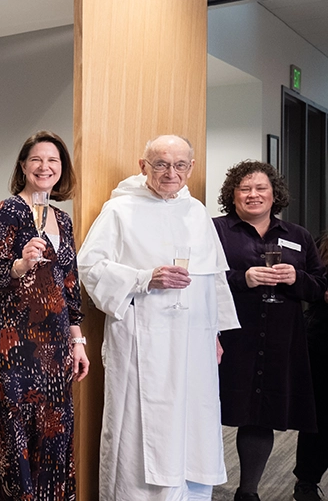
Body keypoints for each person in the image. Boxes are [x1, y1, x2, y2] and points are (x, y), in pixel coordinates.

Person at [77, 134, 240, 501]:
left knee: (193, 423)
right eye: (161, 164)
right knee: (142, 426)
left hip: (193, 339)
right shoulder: (120, 211)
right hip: (142, 339)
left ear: (191, 168)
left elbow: (213, 276)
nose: (171, 173)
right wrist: (144, 277)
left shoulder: (196, 212)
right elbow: (89, 266)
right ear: (143, 166)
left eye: (179, 165)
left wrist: (214, 333)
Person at [0, 130, 89, 500]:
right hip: (14, 343)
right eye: (37, 159)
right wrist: (21, 263)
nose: (45, 167)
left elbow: (69, 284)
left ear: (62, 170)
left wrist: (78, 341)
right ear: (23, 166)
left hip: (55, 345)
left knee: (54, 433)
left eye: (53, 161)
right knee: (15, 434)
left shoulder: (62, 219)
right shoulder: (7, 212)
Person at [212, 160, 327, 501]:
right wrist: (242, 278)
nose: (253, 195)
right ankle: (193, 484)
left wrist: (296, 278)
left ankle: (247, 492)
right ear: (231, 195)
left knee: (261, 414)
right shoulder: (216, 231)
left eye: (261, 188)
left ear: (274, 194)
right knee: (208, 409)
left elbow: (319, 286)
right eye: (244, 188)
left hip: (280, 339)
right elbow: (200, 278)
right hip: (229, 335)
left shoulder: (297, 236)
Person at [294, 232, 328, 501]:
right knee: (319, 418)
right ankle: (306, 481)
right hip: (322, 340)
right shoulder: (320, 243)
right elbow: (310, 284)